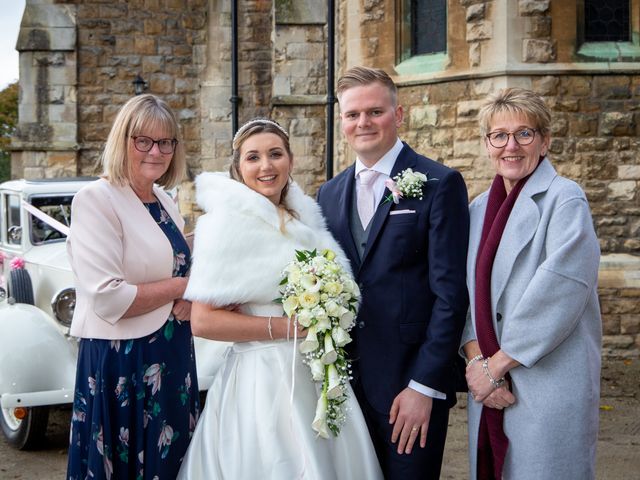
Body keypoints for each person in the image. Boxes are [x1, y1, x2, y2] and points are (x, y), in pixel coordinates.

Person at [177, 119, 383, 479]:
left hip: (317, 371)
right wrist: (287, 327)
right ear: (238, 168)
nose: (266, 166)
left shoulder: (305, 219)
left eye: (275, 154)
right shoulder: (226, 224)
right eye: (253, 158)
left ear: (290, 159)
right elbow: (203, 320)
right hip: (262, 378)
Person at [317, 66, 470, 479]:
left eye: (374, 111)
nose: (362, 123)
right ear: (342, 121)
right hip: (345, 392)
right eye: (352, 114)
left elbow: (451, 295)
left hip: (410, 389)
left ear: (398, 115)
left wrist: (424, 386)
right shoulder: (328, 195)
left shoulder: (440, 183)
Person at [461, 87, 602, 479]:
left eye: (524, 134)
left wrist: (496, 368)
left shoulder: (564, 199)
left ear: (545, 141)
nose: (511, 146)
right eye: (499, 135)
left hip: (546, 381)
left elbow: (563, 289)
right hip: (489, 385)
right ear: (487, 144)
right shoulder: (475, 210)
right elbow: (466, 297)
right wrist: (476, 363)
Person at [66, 94, 199, 479]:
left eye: (166, 142)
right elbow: (110, 297)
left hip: (171, 353)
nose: (156, 152)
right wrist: (187, 286)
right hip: (123, 361)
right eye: (143, 141)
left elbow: (171, 256)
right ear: (122, 140)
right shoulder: (96, 199)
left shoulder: (162, 199)